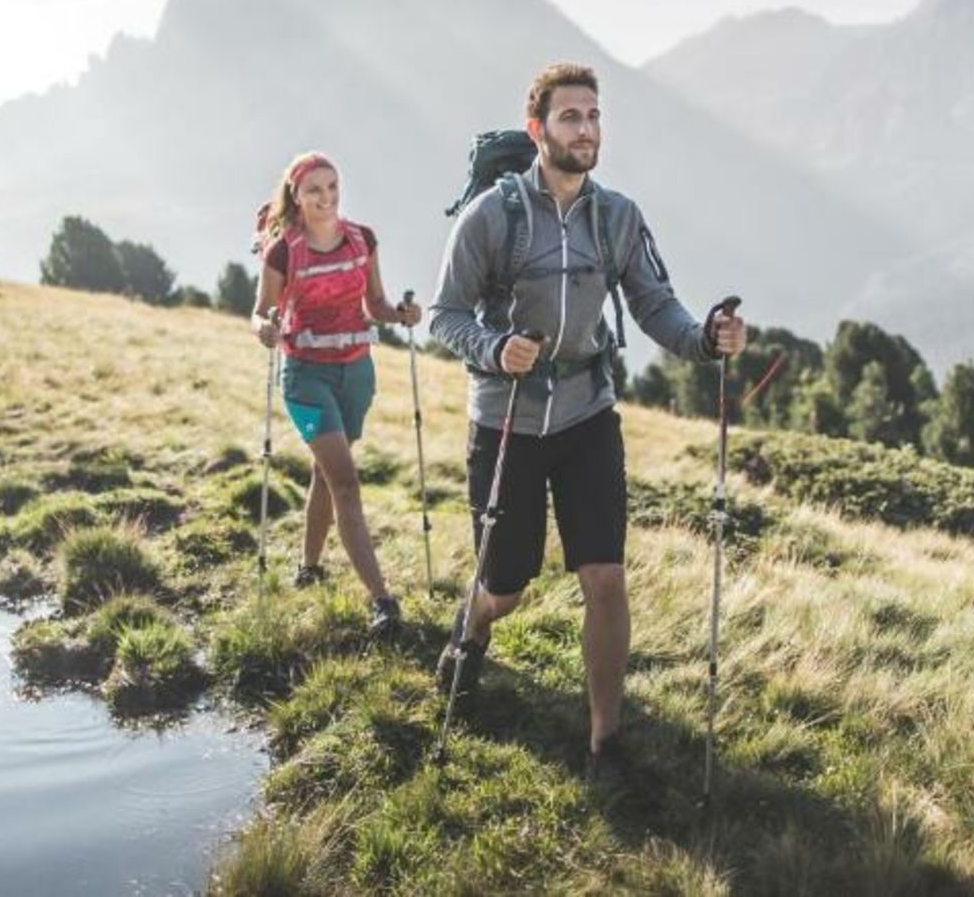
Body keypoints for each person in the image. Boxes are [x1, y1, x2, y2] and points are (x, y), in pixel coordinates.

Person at [429, 62, 747, 785]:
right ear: (538, 129)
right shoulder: (493, 217)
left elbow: (654, 305)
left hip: (587, 413)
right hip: (507, 418)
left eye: (594, 116)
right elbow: (445, 314)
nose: (586, 129)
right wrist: (493, 349)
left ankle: (606, 742)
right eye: (570, 117)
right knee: (507, 586)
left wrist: (705, 338)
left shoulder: (617, 216)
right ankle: (472, 625)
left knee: (604, 575)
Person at [251, 151, 421, 638]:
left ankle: (308, 568)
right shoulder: (283, 252)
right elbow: (260, 311)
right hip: (304, 380)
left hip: (356, 376)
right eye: (314, 190)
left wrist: (401, 315)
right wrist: (264, 328)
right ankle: (382, 600)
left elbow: (377, 304)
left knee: (326, 475)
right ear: (297, 196)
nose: (326, 197)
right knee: (345, 483)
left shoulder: (361, 239)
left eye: (332, 187)